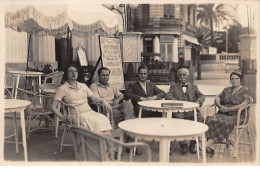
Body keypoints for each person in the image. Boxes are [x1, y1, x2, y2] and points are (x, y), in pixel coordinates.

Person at [51, 66, 113, 134]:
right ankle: (97, 142)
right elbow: (53, 107)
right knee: (95, 122)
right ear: (66, 74)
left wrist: (103, 101)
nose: (74, 73)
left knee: (104, 119)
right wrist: (63, 117)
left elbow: (93, 98)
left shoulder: (83, 86)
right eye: (71, 71)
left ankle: (104, 142)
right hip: (77, 115)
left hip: (89, 112)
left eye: (75, 71)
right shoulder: (62, 88)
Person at [204, 71, 252, 157]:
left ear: (240, 79)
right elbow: (217, 98)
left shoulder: (245, 90)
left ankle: (206, 145)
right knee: (210, 119)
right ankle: (209, 145)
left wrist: (229, 109)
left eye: (236, 78)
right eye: (232, 79)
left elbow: (245, 103)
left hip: (238, 115)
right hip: (223, 112)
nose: (234, 81)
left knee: (225, 122)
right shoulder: (227, 89)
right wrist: (220, 106)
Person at [165, 68, 205, 154]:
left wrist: (198, 102)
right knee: (178, 120)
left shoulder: (194, 87)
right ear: (178, 76)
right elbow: (168, 96)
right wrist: (177, 102)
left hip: (191, 111)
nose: (182, 77)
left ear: (188, 76)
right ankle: (183, 144)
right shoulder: (174, 86)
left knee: (200, 118)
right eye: (180, 75)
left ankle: (193, 143)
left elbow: (201, 96)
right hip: (179, 112)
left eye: (184, 75)